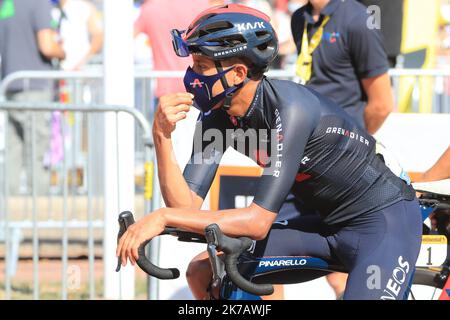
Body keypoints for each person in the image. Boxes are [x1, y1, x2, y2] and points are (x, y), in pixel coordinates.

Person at [116, 4, 422, 300]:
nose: (192, 76)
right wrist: (161, 135)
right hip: (324, 225)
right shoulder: (217, 116)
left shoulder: (291, 109)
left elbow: (257, 222)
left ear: (237, 73)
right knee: (204, 272)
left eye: (201, 66)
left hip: (381, 222)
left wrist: (162, 216)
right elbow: (185, 207)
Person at [291, 0, 393, 135]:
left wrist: (357, 140)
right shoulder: (299, 18)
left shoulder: (359, 19)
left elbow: (382, 105)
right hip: (309, 134)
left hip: (345, 142)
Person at [0, 0, 65, 194]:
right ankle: (40, 212)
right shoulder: (38, 4)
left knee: (13, 151)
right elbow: (47, 46)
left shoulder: (6, 4)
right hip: (35, 88)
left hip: (11, 85)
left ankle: (7, 213)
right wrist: (62, 52)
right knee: (37, 151)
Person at [51, 0, 103, 71]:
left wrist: (83, 62)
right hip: (56, 68)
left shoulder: (84, 7)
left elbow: (98, 36)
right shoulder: (51, 7)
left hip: (79, 70)